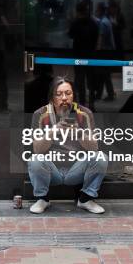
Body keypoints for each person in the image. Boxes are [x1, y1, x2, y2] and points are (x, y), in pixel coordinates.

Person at [27, 77, 108, 215]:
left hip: (76, 169)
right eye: (59, 94)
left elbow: (94, 148)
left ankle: (85, 199)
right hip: (52, 170)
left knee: (101, 157)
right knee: (35, 160)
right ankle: (43, 199)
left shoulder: (85, 113)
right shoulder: (40, 114)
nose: (64, 98)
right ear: (52, 98)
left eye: (68, 93)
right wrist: (54, 130)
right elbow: (37, 149)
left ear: (73, 95)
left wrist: (78, 133)